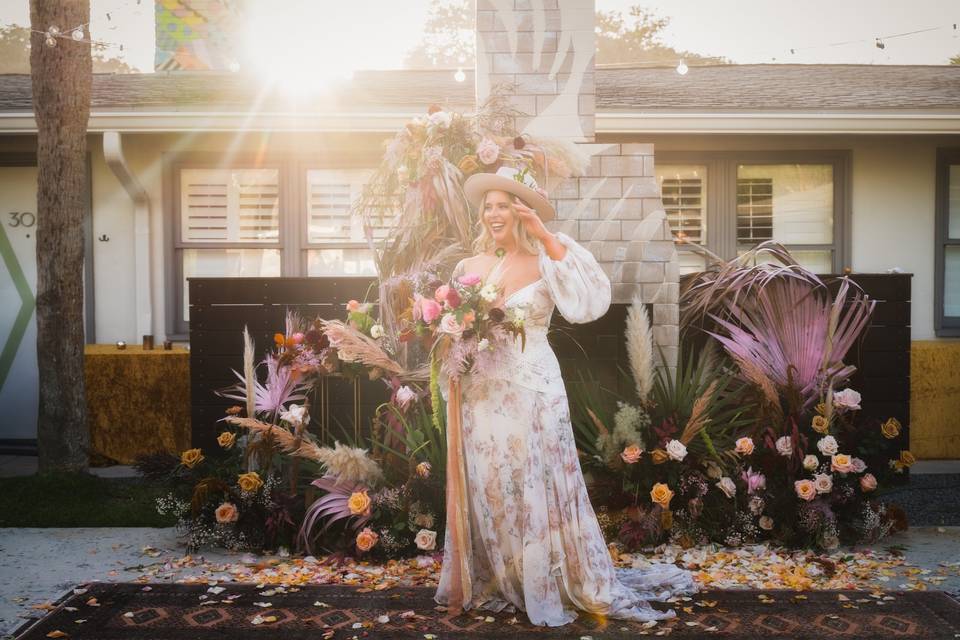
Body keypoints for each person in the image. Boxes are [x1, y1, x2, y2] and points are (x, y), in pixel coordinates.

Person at [434, 166, 696, 626]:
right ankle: (500, 578)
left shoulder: (547, 261)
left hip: (534, 391)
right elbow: (452, 331)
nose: (495, 213)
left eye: (505, 205)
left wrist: (542, 232)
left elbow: (589, 301)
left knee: (537, 484)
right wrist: (451, 341)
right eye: (489, 206)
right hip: (481, 393)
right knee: (492, 483)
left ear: (521, 210)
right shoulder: (466, 269)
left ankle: (546, 581)